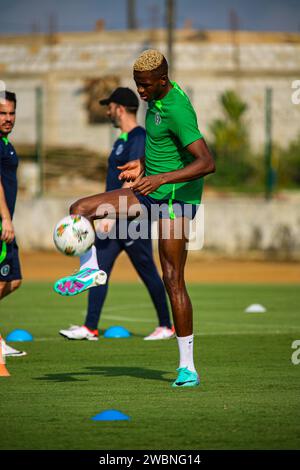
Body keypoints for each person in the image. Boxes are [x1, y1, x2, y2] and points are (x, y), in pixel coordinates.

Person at [54, 49, 215, 387]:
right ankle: (90, 271)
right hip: (148, 189)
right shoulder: (154, 99)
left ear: (162, 80)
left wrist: (159, 178)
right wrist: (144, 166)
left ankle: (188, 367)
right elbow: (165, 148)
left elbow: (206, 162)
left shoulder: (176, 108)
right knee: (80, 209)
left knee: (173, 278)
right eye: (137, 84)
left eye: (144, 85)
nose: (139, 91)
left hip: (175, 201)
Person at [59, 87, 174, 341]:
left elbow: (134, 180)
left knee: (148, 271)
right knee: (98, 269)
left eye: (109, 106)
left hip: (132, 219)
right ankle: (90, 327)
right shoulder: (120, 140)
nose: (107, 110)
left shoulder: (138, 137)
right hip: (113, 220)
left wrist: (109, 215)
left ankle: (166, 325)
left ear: (120, 109)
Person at [0, 90, 26, 357]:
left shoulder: (6, 143)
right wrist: (5, 218)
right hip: (1, 223)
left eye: (11, 113)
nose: (8, 118)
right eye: (2, 113)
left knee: (14, 280)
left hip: (6, 223)